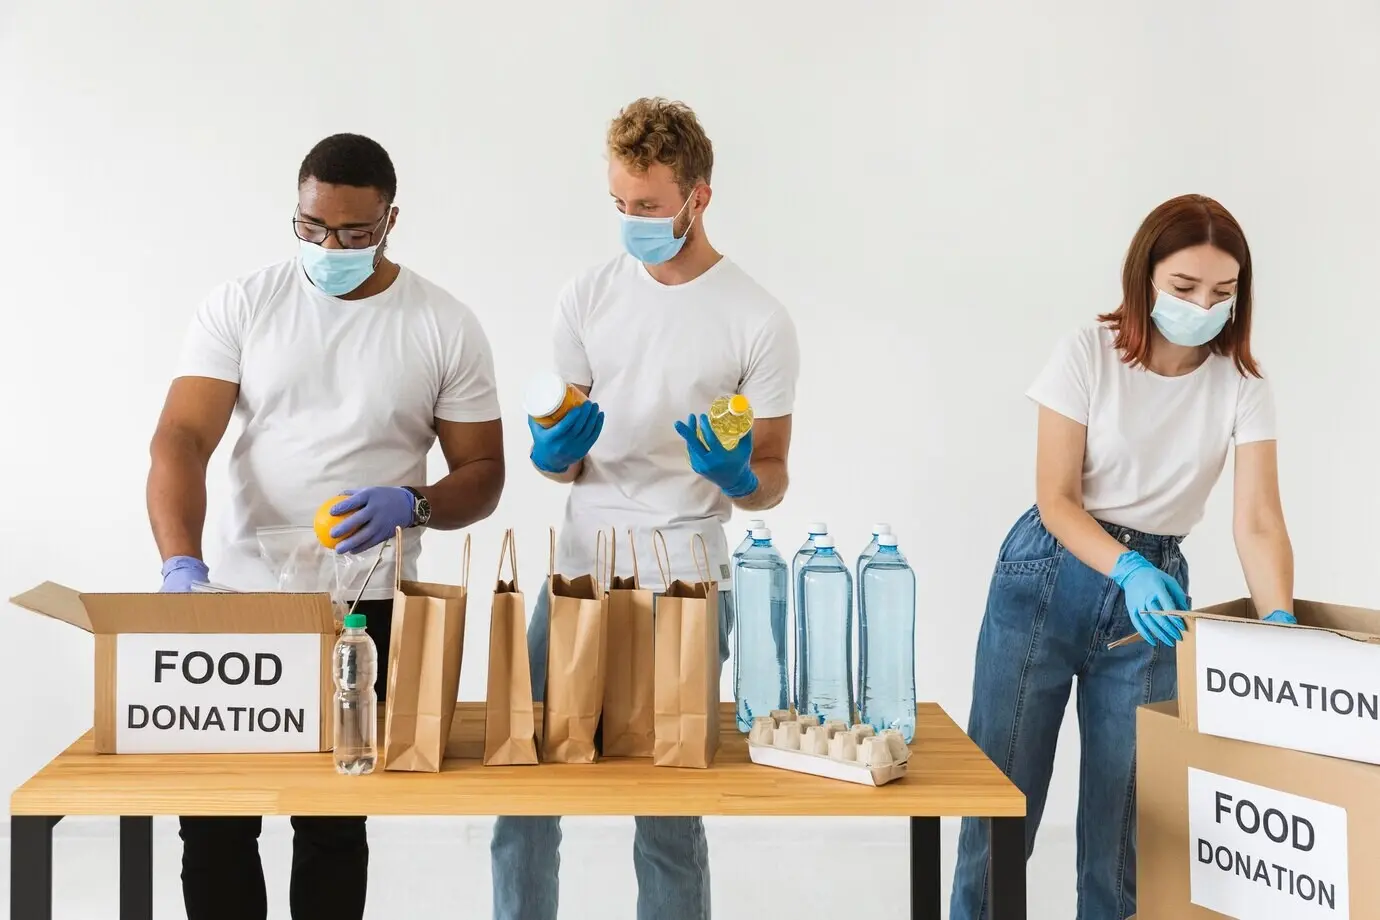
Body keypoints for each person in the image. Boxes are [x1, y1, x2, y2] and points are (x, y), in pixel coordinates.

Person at [146, 133, 505, 920]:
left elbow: (483, 472)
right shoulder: (245, 303)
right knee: (214, 817)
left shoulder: (441, 323)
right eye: (311, 227)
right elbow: (181, 438)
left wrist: (413, 504)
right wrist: (181, 563)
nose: (329, 248)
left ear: (390, 221)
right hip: (240, 598)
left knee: (334, 817)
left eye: (352, 233)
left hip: (363, 607)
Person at [490, 97, 800, 920]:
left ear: (699, 197)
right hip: (581, 570)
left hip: (687, 576)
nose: (633, 222)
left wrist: (737, 476)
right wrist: (553, 456)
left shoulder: (757, 319)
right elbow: (563, 455)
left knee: (668, 807)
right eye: (621, 204)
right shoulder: (587, 297)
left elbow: (773, 476)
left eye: (650, 206)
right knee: (525, 784)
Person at [949, 194, 1296, 920]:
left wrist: (1279, 620)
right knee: (1000, 809)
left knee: (1126, 830)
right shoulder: (1087, 352)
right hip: (1049, 573)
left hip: (1153, 606)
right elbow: (1056, 499)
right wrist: (1127, 568)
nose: (1203, 306)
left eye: (1223, 292)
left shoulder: (1242, 384)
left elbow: (1258, 519)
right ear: (1145, 277)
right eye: (1185, 287)